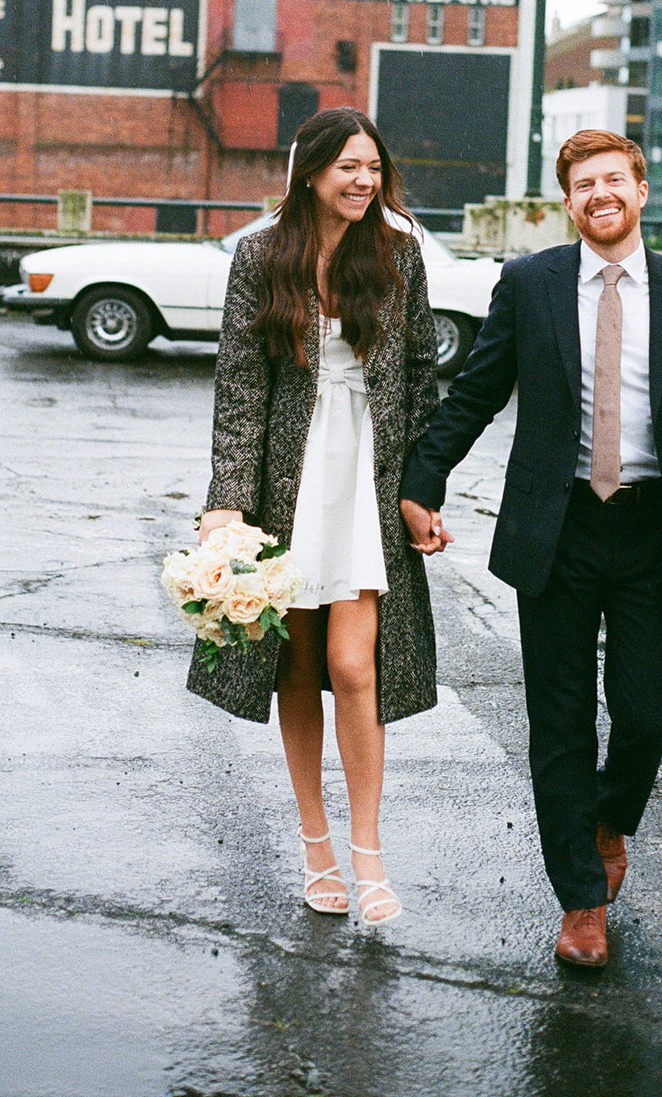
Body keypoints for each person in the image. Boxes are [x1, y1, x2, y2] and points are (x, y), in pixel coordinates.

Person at [399, 129, 662, 968]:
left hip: (652, 530)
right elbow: (475, 391)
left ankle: (610, 819)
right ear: (567, 201)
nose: (599, 196)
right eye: (583, 184)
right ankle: (581, 901)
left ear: (641, 190)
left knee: (648, 713)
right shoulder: (530, 284)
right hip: (554, 528)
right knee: (557, 723)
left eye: (613, 180)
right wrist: (422, 480)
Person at [187, 107, 440, 925]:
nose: (364, 180)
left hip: (368, 476)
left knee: (354, 665)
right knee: (295, 666)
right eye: (348, 168)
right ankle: (316, 848)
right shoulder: (262, 254)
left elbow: (420, 382)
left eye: (373, 166)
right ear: (310, 173)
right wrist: (227, 498)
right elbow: (240, 384)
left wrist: (421, 490)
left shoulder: (400, 252)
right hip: (287, 481)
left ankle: (369, 856)